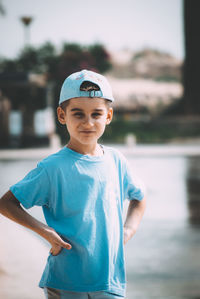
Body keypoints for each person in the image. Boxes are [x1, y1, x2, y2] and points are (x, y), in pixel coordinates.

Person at [0, 69, 146, 299]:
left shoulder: (117, 161)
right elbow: (6, 204)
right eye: (78, 114)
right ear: (61, 115)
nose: (88, 123)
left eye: (96, 114)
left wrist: (128, 230)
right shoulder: (52, 168)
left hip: (110, 282)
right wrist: (45, 231)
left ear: (108, 116)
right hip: (66, 282)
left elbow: (139, 197)